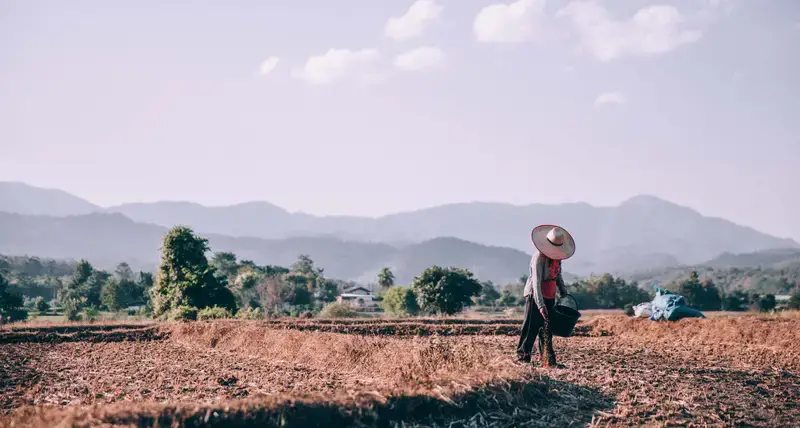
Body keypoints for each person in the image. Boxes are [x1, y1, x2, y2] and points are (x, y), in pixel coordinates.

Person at [516, 224, 575, 366]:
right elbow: (536, 283)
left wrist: (563, 290)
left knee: (547, 329)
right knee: (531, 327)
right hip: (535, 295)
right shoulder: (539, 258)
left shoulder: (557, 258)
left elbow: (557, 274)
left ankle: (548, 360)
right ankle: (523, 357)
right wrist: (541, 305)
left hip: (550, 294)